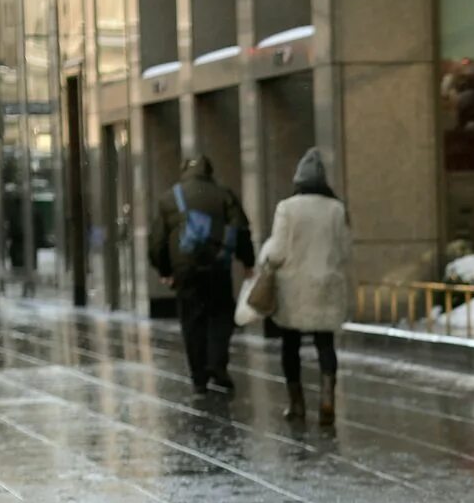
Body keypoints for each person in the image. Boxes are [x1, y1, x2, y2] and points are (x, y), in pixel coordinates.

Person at [259, 148, 353, 423]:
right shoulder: (337, 209)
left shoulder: (287, 208)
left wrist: (265, 260)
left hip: (294, 288)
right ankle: (327, 399)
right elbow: (345, 251)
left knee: (290, 345)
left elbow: (276, 252)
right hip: (326, 284)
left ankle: (296, 402)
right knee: (325, 344)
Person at [149, 156, 253, 395]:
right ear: (209, 171)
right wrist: (248, 261)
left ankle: (198, 376)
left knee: (191, 320)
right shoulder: (224, 195)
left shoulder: (169, 199)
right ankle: (217, 365)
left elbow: (157, 242)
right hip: (218, 265)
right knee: (220, 315)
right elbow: (241, 229)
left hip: (185, 268)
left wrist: (165, 270)